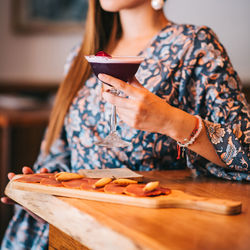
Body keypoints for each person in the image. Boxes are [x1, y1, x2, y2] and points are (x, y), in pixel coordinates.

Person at [1, 0, 250, 249]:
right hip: (63, 230)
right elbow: (59, 150)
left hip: (140, 232)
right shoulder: (81, 55)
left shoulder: (193, 45)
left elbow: (246, 150)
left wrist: (173, 122)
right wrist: (43, 191)